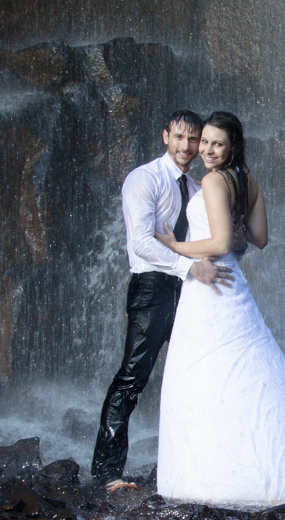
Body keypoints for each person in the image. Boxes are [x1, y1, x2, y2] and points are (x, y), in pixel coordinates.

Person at [154, 111, 285, 506]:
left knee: (204, 374)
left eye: (217, 144)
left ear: (233, 145)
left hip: (209, 284)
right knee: (245, 367)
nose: (207, 150)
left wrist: (175, 246)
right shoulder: (247, 179)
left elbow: (218, 244)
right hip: (231, 281)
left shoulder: (214, 180)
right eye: (204, 142)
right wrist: (236, 233)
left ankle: (212, 479)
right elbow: (259, 238)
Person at [91, 111, 236, 491]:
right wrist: (190, 267)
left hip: (188, 289)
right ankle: (107, 474)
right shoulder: (144, 179)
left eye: (194, 139)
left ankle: (199, 467)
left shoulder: (196, 186)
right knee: (132, 377)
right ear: (165, 136)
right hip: (153, 288)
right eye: (180, 137)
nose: (187, 146)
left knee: (197, 372)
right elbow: (140, 242)